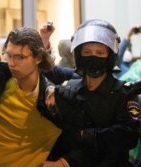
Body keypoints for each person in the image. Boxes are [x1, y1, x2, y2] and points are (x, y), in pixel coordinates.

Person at [0, 26, 76, 167]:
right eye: (9, 55)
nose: (12, 63)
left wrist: (64, 163)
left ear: (38, 58)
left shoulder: (54, 98)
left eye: (20, 57)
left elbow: (83, 137)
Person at [42, 19, 140, 167]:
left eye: (99, 52)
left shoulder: (124, 93)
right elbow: (48, 72)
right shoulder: (71, 86)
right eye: (87, 52)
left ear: (110, 55)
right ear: (79, 55)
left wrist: (86, 135)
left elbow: (128, 136)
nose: (93, 56)